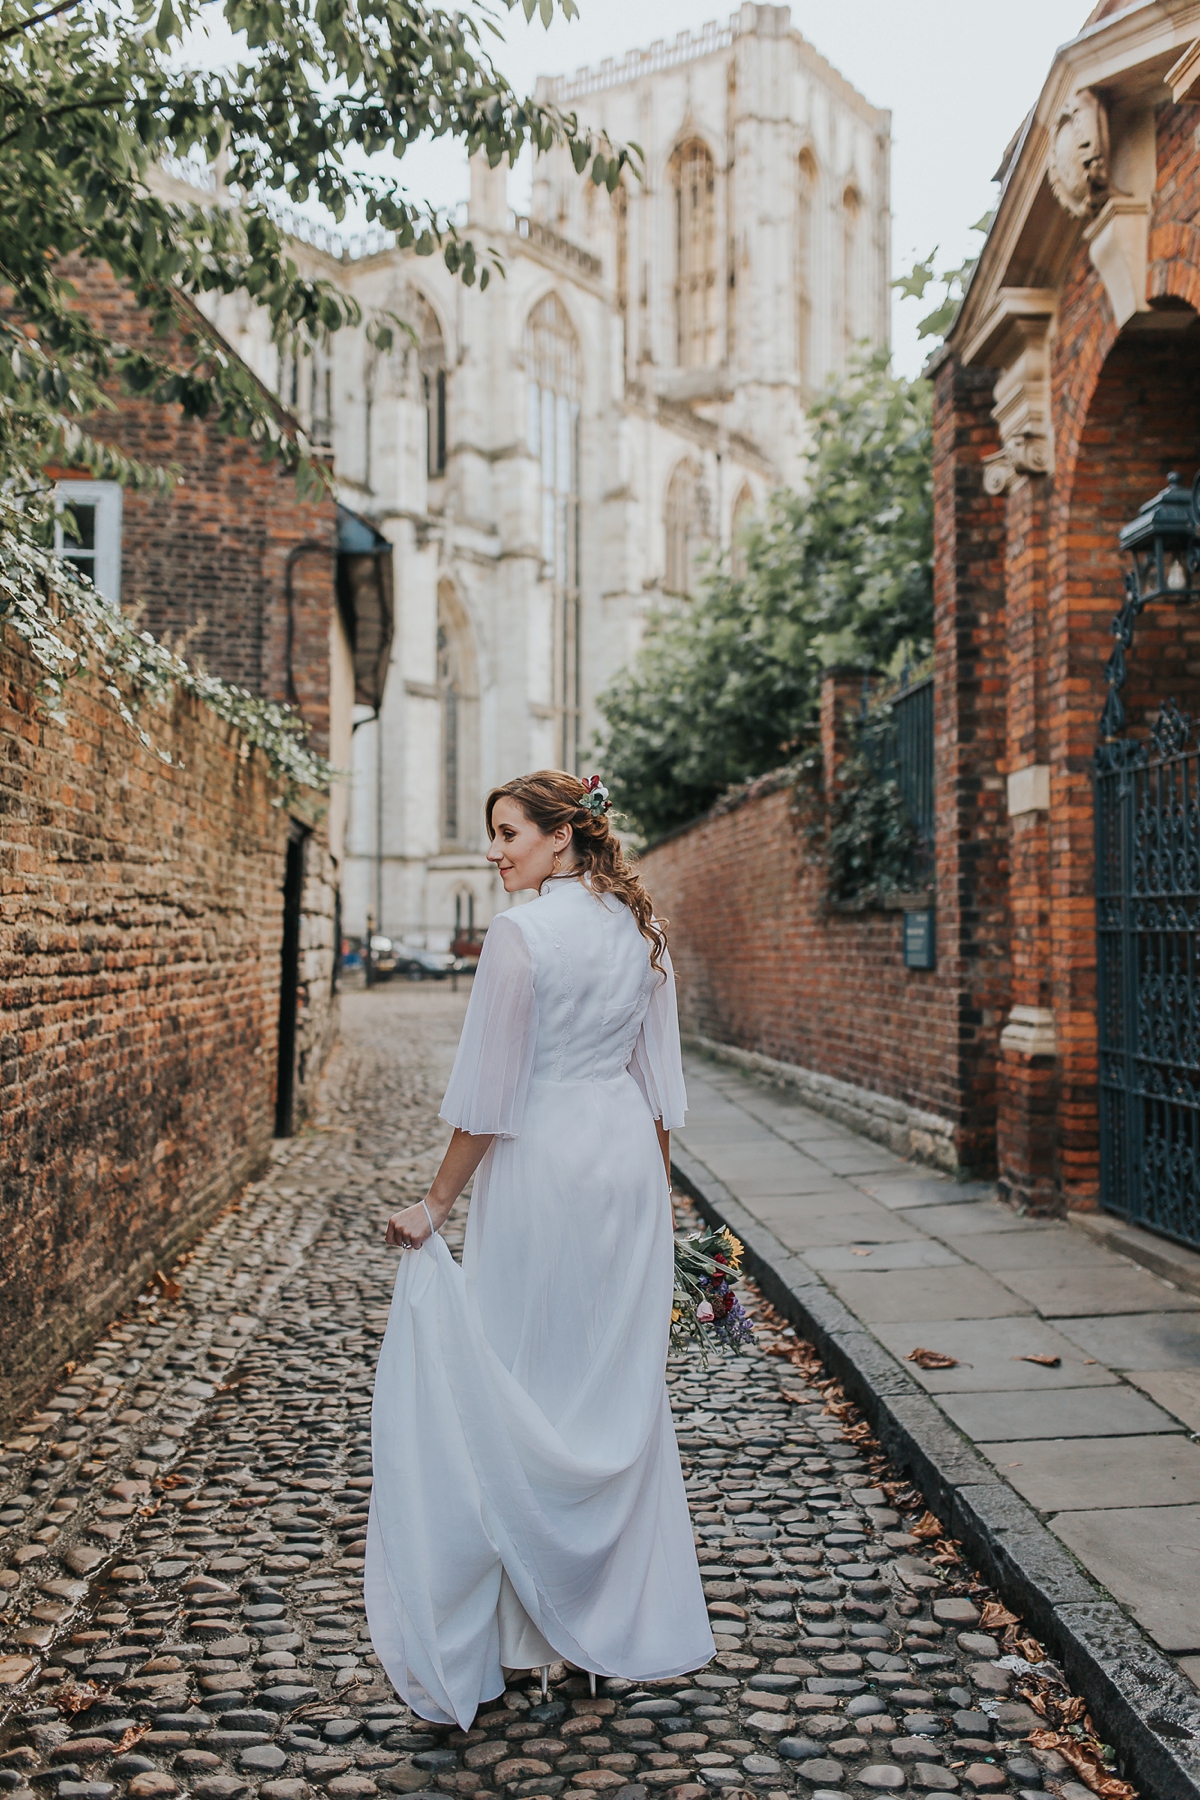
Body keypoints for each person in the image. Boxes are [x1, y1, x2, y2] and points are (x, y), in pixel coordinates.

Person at [363, 769, 714, 1727]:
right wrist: (661, 1206)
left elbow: (489, 1098)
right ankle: (601, 1631)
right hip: (625, 1174)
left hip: (543, 1173)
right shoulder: (639, 931)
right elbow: (658, 1090)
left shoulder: (519, 936)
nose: (494, 851)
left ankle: (531, 1633)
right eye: (493, 834)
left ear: (562, 837)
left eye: (509, 832)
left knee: (523, 1387)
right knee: (615, 1396)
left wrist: (435, 1204)